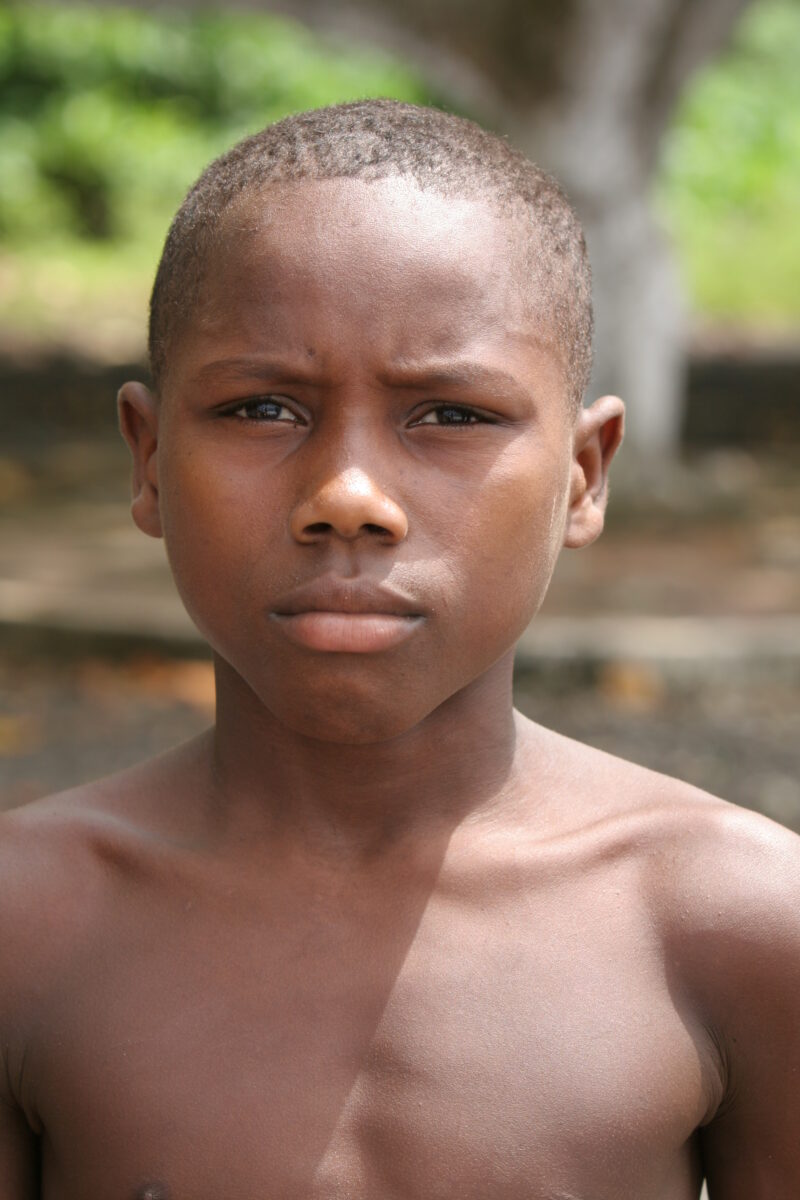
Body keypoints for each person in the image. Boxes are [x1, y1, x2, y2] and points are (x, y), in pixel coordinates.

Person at [0, 99, 797, 1200]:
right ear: (146, 458)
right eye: (264, 408)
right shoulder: (28, 924)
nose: (348, 497)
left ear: (581, 473)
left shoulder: (736, 923)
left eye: (452, 416)